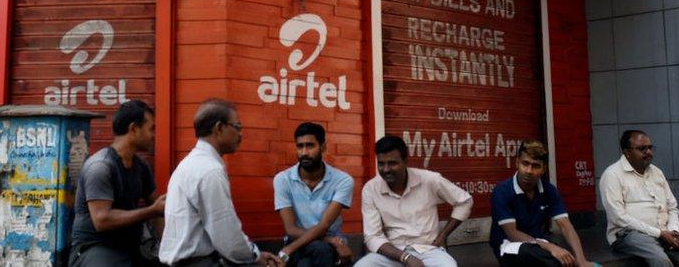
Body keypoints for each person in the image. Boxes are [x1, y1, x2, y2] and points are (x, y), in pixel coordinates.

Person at [158, 99, 283, 267]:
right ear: (219, 128)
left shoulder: (190, 163)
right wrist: (255, 255)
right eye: (237, 127)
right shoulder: (210, 171)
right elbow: (227, 235)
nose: (241, 134)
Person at [70, 99, 166, 266]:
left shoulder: (141, 167)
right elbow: (102, 220)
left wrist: (166, 248)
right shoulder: (100, 167)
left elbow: (158, 209)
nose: (153, 135)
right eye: (151, 129)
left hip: (129, 247)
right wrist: (152, 211)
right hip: (94, 249)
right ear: (134, 129)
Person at [599, 130, 679, 267]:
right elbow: (617, 217)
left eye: (650, 147)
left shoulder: (656, 172)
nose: (648, 152)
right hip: (629, 235)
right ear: (627, 153)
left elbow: (672, 207)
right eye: (642, 149)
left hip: (664, 232)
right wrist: (660, 233)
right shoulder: (612, 175)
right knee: (661, 261)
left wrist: (674, 232)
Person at [356, 136, 473, 267]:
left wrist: (443, 235)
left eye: (392, 163)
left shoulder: (429, 180)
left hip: (428, 250)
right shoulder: (371, 189)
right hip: (391, 252)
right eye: (381, 163)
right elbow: (373, 236)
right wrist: (405, 257)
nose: (386, 169)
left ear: (406, 161)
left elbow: (464, 201)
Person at [489, 141, 594, 267]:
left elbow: (566, 226)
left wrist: (582, 260)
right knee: (543, 256)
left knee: (562, 258)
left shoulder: (549, 190)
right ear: (517, 163)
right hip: (509, 246)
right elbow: (512, 233)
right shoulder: (502, 191)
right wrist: (550, 247)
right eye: (525, 164)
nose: (529, 170)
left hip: (538, 244)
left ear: (544, 169)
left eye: (535, 166)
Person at [273, 122, 355, 266]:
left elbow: (324, 226)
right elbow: (290, 229)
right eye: (300, 146)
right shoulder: (283, 179)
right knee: (318, 250)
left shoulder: (342, 180)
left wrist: (287, 250)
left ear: (323, 147)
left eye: (310, 146)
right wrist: (329, 240)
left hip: (327, 241)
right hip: (299, 239)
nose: (304, 152)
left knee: (308, 262)